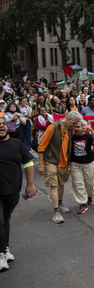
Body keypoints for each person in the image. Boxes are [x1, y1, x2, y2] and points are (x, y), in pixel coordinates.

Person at [0, 115, 36, 271]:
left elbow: (28, 162)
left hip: (12, 191)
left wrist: (30, 184)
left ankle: (5, 249)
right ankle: (1, 254)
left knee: (5, 221)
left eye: (3, 124)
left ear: (7, 126)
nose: (1, 126)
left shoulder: (17, 144)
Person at [37, 111, 83, 223]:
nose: (75, 126)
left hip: (64, 162)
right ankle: (56, 212)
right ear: (69, 119)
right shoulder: (52, 127)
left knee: (61, 183)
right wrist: (41, 164)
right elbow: (42, 146)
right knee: (53, 185)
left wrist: (69, 162)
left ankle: (60, 203)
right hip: (51, 161)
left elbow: (69, 146)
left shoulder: (69, 129)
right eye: (74, 123)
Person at [70, 120, 94, 214]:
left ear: (83, 128)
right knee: (78, 183)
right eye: (75, 127)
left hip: (88, 163)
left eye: (78, 127)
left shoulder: (88, 136)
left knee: (90, 183)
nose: (76, 129)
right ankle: (82, 203)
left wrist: (91, 130)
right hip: (75, 163)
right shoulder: (71, 138)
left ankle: (89, 195)